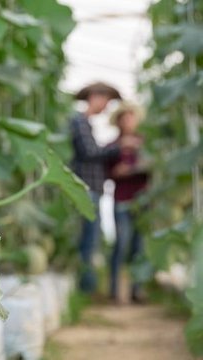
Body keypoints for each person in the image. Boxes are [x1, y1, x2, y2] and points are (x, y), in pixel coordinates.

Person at [70, 82, 139, 294]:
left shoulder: (86, 123)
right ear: (95, 97)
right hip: (87, 189)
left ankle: (87, 287)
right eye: (106, 102)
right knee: (89, 240)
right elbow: (90, 153)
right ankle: (87, 289)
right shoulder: (79, 121)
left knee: (92, 238)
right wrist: (119, 148)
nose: (106, 107)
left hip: (93, 190)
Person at [107, 102, 149, 303]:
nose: (127, 121)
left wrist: (130, 169)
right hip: (121, 201)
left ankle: (136, 290)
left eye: (130, 117)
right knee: (121, 244)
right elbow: (110, 173)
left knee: (138, 248)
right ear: (118, 121)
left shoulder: (144, 143)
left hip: (142, 201)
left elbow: (152, 165)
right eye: (124, 118)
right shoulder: (113, 146)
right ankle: (114, 291)